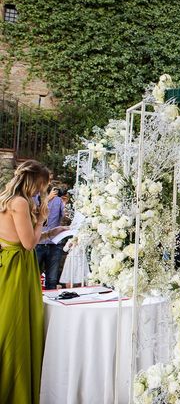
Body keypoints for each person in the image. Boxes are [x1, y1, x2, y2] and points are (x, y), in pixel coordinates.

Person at [0, 160, 65, 403]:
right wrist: (41, 219)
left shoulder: (9, 199)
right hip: (18, 267)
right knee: (14, 325)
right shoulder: (18, 202)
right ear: (35, 181)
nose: (43, 192)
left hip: (13, 263)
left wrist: (48, 231)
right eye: (43, 187)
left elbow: (18, 237)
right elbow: (28, 244)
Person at [35, 183, 66, 289]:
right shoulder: (35, 197)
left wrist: (65, 203)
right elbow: (35, 214)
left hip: (54, 243)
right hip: (37, 243)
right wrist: (47, 199)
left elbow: (65, 217)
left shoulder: (58, 200)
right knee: (33, 277)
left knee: (52, 279)